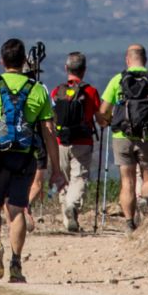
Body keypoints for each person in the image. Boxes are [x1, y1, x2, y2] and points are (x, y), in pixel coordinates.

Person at [0, 38, 64, 283]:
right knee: (16, 209)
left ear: (2, 61)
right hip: (24, 157)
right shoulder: (38, 89)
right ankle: (16, 264)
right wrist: (56, 168)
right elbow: (48, 133)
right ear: (24, 62)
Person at [97, 44, 148, 230]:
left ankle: (128, 223)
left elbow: (102, 111)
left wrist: (107, 122)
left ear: (127, 59)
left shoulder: (118, 79)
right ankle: (145, 198)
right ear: (146, 60)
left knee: (127, 181)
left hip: (122, 135)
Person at [50, 52, 102, 233]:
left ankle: (67, 219)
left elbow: (51, 116)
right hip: (83, 141)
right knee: (78, 177)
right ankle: (72, 206)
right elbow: (100, 116)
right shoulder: (91, 92)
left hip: (60, 141)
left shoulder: (57, 91)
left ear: (66, 69)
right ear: (84, 70)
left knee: (63, 179)